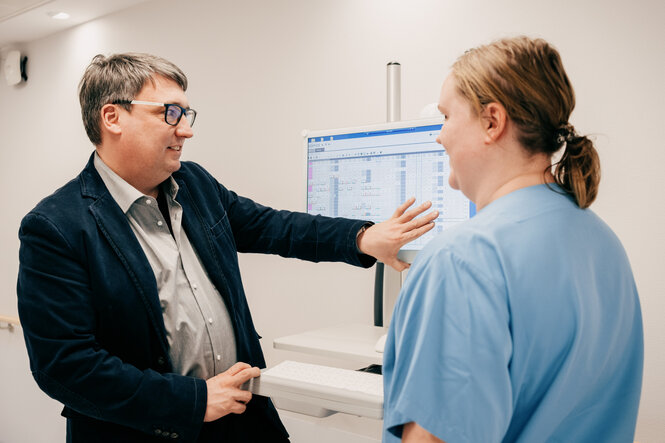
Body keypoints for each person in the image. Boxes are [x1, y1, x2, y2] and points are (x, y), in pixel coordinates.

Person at [16, 53, 438, 443]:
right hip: (150, 429)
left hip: (241, 421)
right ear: (113, 117)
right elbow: (67, 367)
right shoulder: (56, 227)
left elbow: (274, 226)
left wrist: (362, 238)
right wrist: (194, 401)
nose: (186, 128)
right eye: (170, 113)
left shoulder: (195, 185)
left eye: (186, 113)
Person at [382, 36, 643, 443]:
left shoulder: (462, 259)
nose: (439, 137)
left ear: (492, 121)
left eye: (446, 117)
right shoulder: (603, 242)